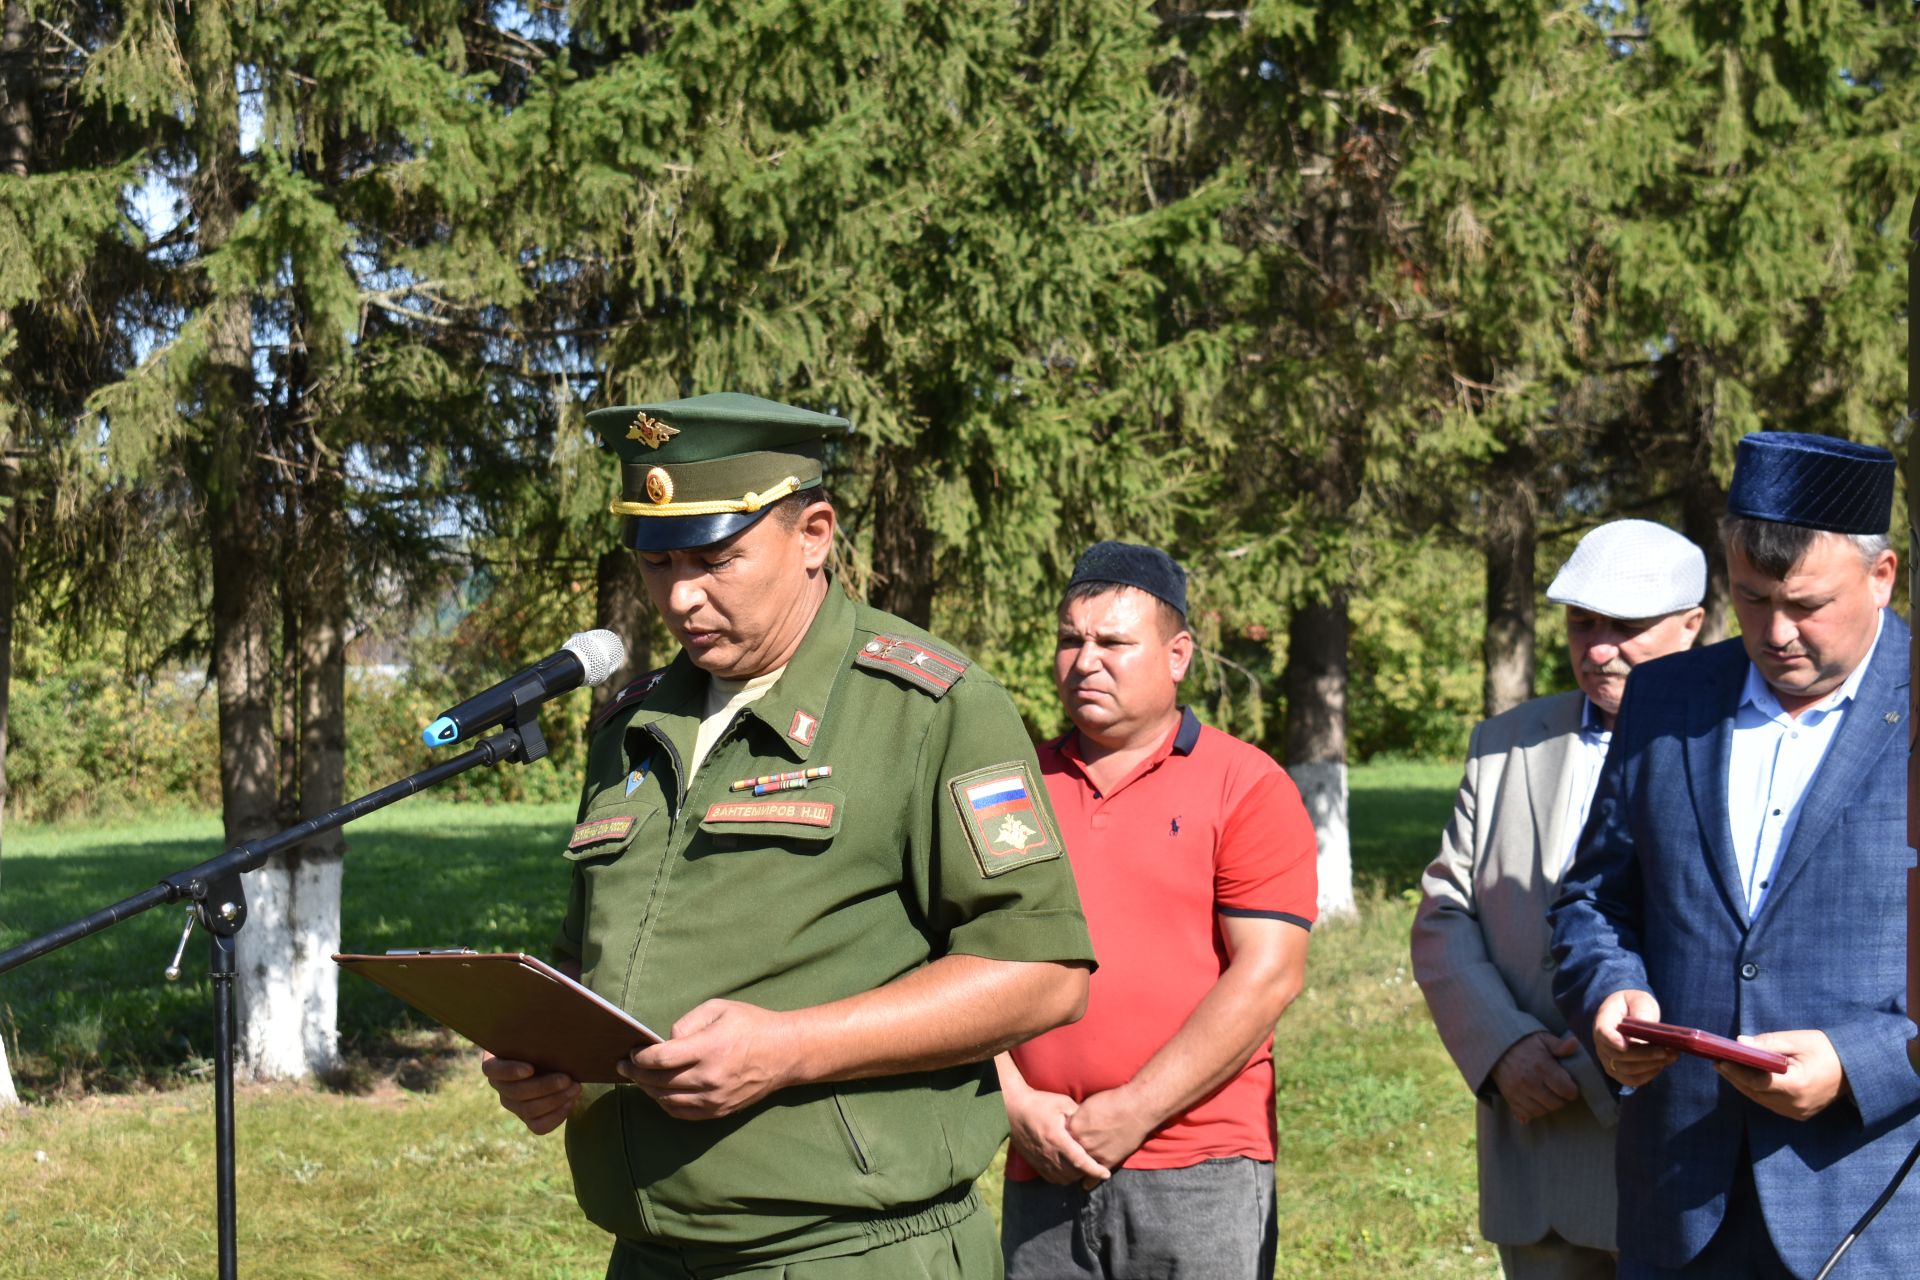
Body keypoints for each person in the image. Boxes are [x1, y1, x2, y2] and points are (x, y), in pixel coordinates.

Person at [482, 392, 1098, 1279]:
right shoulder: (632, 725)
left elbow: (1041, 975)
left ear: (814, 533)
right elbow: (591, 962)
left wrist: (790, 1047)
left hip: (850, 1253)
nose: (680, 595)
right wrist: (557, 1063)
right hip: (649, 1254)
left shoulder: (929, 708)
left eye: (715, 558)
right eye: (657, 563)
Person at [1550, 431, 1920, 1278]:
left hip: (1877, 1206)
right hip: (1681, 1203)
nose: (1778, 632)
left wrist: (1865, 1063)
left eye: (1807, 604)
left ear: (1883, 574)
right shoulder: (1667, 697)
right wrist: (1612, 997)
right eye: (1752, 600)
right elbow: (1593, 902)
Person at [994, 541, 1317, 1280]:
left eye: (1113, 642)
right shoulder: (1010, 787)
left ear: (1177, 656)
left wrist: (1135, 1109)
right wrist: (1013, 1104)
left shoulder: (1246, 785)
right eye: (1070, 640)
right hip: (1043, 1159)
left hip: (1197, 1167)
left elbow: (1268, 976)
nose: (1085, 660)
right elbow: (959, 954)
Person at [1412, 519, 1707, 1280]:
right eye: (1583, 623)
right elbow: (1446, 913)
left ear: (1694, 624)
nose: (1599, 647)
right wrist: (1501, 1045)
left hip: (1688, 1141)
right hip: (1538, 1135)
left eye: (1626, 626)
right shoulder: (1506, 742)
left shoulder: (1743, 740)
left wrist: (1608, 1057)